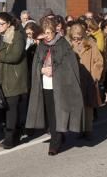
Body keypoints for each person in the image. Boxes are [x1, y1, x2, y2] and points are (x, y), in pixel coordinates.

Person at [26, 17, 83, 155]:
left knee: (60, 112)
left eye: (49, 33)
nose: (47, 36)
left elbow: (69, 66)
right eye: (44, 33)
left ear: (55, 31)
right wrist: (41, 70)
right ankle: (57, 135)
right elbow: (36, 63)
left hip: (61, 85)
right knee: (51, 114)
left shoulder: (63, 45)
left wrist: (55, 70)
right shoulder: (42, 46)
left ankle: (55, 143)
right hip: (46, 85)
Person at [0, 12, 29, 150]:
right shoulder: (0, 36)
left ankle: (10, 139)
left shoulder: (17, 35)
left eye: (1, 24)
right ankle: (14, 134)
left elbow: (15, 56)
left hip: (15, 77)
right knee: (8, 108)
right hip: (3, 76)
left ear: (9, 23)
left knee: (12, 109)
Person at [69, 23, 103, 139]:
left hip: (89, 80)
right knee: (77, 106)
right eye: (74, 38)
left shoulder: (90, 44)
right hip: (74, 81)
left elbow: (98, 62)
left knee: (88, 106)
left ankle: (88, 130)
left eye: (79, 38)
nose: (77, 41)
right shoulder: (68, 47)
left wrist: (95, 77)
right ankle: (79, 128)